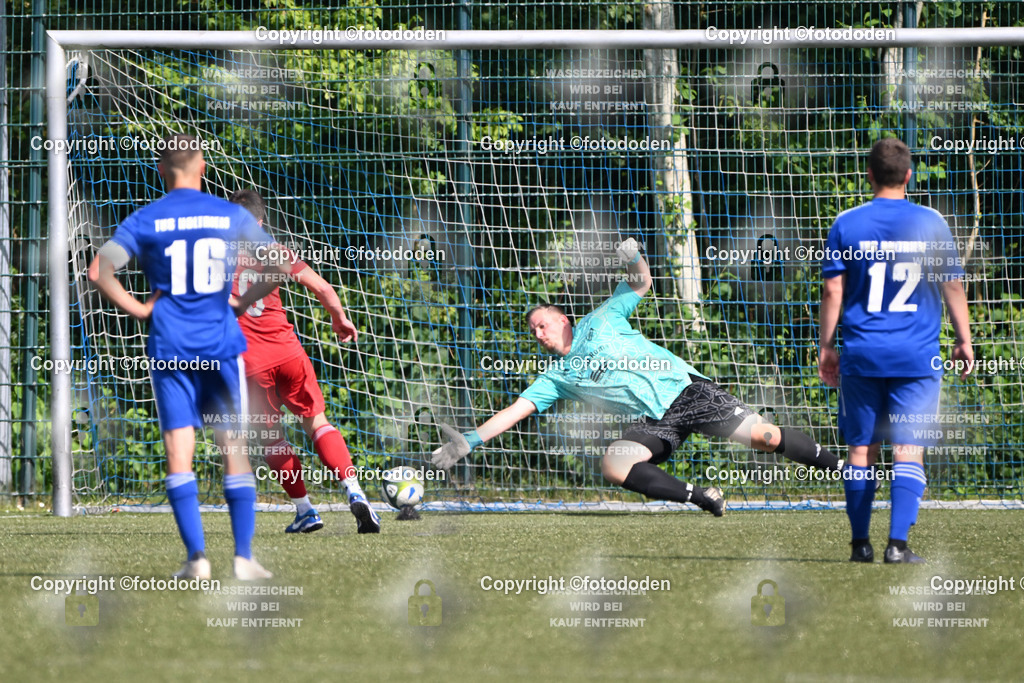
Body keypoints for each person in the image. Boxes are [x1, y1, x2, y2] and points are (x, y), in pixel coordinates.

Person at [432, 238, 843, 515]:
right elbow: (515, 410)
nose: (539, 334)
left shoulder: (604, 317)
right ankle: (700, 497)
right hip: (653, 422)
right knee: (615, 463)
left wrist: (631, 255)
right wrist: (470, 440)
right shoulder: (555, 376)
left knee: (765, 438)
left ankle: (845, 470)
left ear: (564, 318)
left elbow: (641, 281)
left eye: (543, 324)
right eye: (534, 331)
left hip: (687, 393)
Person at [88, 134, 278, 580]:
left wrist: (137, 308)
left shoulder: (145, 218)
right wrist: (242, 299)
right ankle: (244, 559)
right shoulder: (230, 213)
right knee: (233, 446)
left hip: (170, 346)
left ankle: (197, 559)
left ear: (160, 171)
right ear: (203, 167)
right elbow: (277, 265)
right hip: (219, 345)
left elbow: (100, 269)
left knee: (179, 449)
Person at [818, 137, 973, 564]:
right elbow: (953, 284)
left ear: (869, 174)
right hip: (917, 357)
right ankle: (898, 546)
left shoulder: (847, 223)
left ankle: (860, 545)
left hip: (863, 355)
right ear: (908, 176)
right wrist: (964, 339)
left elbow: (834, 290)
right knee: (908, 448)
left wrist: (826, 347)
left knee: (861, 450)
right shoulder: (931, 223)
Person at [227, 189, 380, 534]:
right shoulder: (275, 251)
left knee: (271, 440)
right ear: (261, 220)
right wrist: (339, 319)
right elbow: (323, 289)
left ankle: (305, 510)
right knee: (318, 424)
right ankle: (354, 491)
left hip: (250, 364)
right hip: (289, 352)